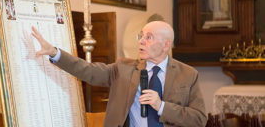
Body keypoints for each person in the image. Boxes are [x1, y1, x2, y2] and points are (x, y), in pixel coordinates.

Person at [31, 21, 207, 127]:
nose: (142, 41)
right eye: (141, 36)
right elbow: (87, 70)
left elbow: (199, 119)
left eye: (149, 37)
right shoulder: (124, 68)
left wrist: (161, 106)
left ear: (166, 45)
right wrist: (55, 53)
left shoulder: (188, 75)